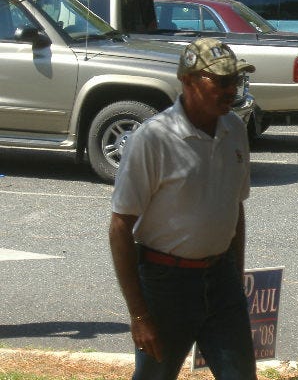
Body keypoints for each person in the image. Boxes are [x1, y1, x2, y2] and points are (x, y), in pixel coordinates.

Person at [109, 38, 257, 380]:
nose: (231, 89)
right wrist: (139, 316)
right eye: (220, 81)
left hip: (221, 280)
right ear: (188, 81)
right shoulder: (153, 138)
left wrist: (235, 276)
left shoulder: (235, 128)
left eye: (235, 80)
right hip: (166, 285)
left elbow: (236, 207)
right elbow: (120, 226)